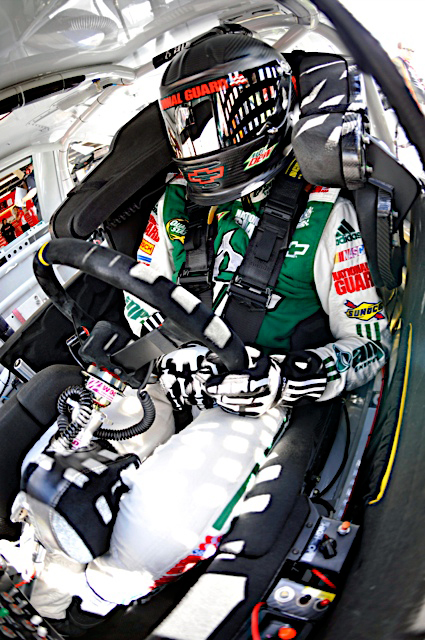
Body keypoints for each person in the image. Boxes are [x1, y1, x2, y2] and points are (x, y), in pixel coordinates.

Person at [13, 28, 391, 635]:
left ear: (263, 113)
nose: (198, 143)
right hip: (169, 375)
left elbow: (370, 346)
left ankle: (90, 603)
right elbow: (142, 300)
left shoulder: (327, 215)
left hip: (256, 398)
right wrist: (169, 360)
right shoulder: (173, 204)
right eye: (186, 123)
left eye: (213, 120)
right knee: (60, 465)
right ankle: (37, 577)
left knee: (159, 518)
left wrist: (281, 378)